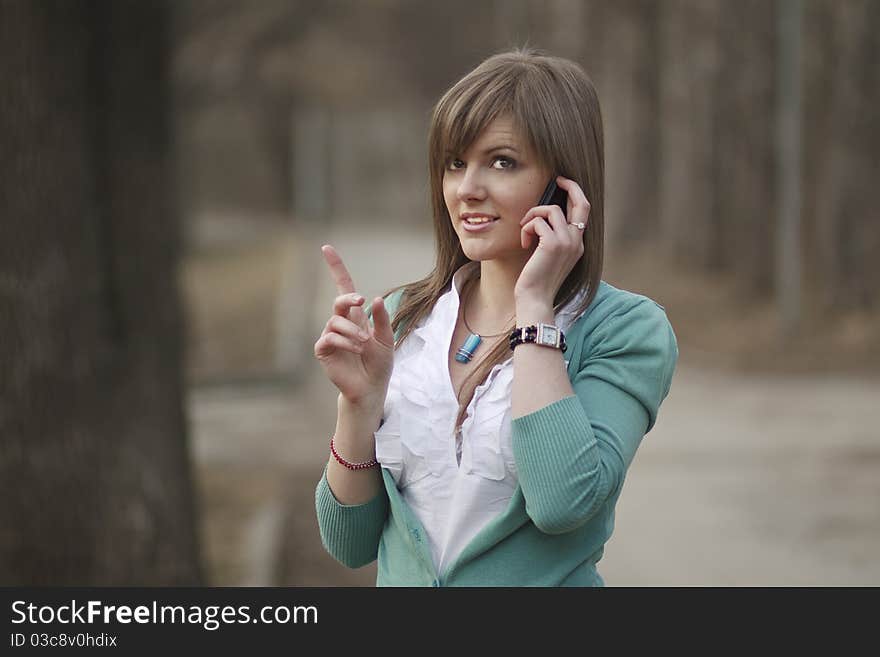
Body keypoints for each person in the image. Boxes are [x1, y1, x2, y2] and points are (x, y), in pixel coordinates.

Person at [313, 47, 678, 586]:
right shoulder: (402, 319)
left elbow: (562, 502)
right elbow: (349, 543)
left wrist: (535, 311)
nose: (467, 189)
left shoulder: (625, 330)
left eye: (502, 162)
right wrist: (358, 406)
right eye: (456, 163)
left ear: (563, 185)